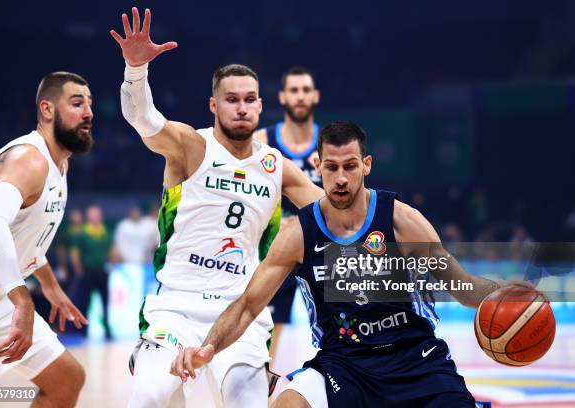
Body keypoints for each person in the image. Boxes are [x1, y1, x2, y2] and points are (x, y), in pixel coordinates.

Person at [171, 121, 515, 407]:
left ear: (366, 165)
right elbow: (247, 306)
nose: (340, 178)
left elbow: (462, 286)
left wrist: (507, 293)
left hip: (415, 358)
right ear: (318, 166)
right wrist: (209, 347)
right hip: (344, 364)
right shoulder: (298, 234)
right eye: (331, 167)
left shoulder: (401, 220)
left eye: (350, 166)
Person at [110, 7, 324, 407]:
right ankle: (150, 359)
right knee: (147, 397)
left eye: (248, 100)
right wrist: (135, 71)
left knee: (248, 401)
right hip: (176, 309)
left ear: (260, 106)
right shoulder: (191, 146)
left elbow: (336, 214)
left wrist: (344, 178)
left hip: (240, 311)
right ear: (214, 105)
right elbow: (143, 119)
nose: (241, 108)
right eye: (231, 100)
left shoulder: (277, 167)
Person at [0, 72, 91, 407]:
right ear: (47, 110)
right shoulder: (29, 159)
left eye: (90, 104)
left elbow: (25, 241)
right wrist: (24, 300)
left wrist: (51, 287)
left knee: (66, 381)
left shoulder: (59, 166)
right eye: (77, 103)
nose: (89, 112)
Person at [254, 66, 321, 364]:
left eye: (306, 90)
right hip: (273, 248)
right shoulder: (262, 140)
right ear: (282, 97)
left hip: (320, 250)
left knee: (343, 327)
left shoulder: (329, 144)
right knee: (264, 333)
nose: (300, 96)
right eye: (294, 90)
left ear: (315, 96)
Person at [69, 205, 116, 339]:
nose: (95, 217)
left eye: (97, 214)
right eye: (93, 214)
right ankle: (84, 329)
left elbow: (112, 249)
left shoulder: (106, 232)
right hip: (87, 272)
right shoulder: (82, 233)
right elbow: (75, 253)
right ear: (88, 216)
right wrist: (78, 270)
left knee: (105, 301)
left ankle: (107, 328)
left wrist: (112, 264)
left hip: (102, 272)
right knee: (85, 301)